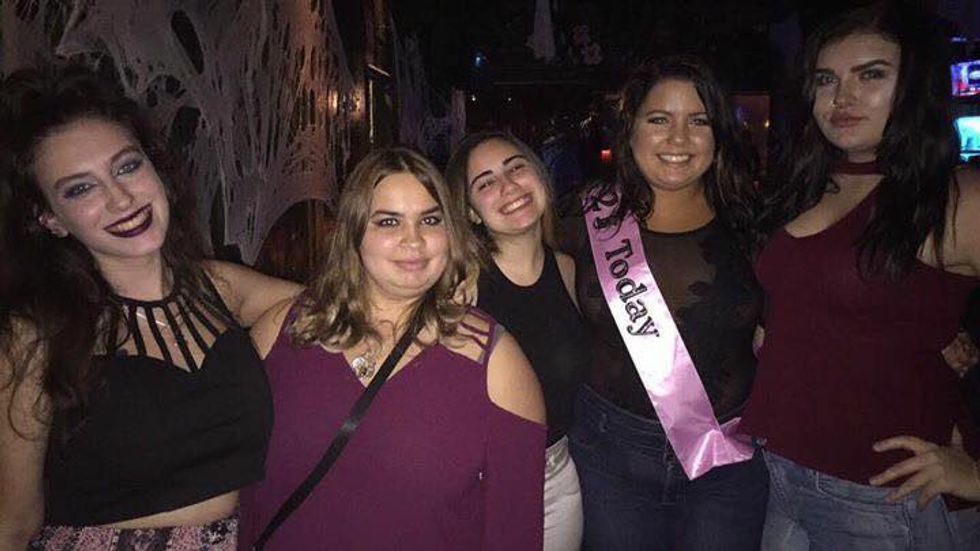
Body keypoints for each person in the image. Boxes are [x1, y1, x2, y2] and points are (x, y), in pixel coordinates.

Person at [0, 66, 302, 549]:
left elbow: (337, 304)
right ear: (50, 220)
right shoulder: (34, 334)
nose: (121, 199)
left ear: (156, 168)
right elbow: (12, 523)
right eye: (80, 189)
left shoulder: (218, 287)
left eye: (127, 167)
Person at [745, 2, 980, 548]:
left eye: (870, 75)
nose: (842, 97)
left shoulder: (956, 196)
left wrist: (975, 472)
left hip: (886, 500)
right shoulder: (807, 181)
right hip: (780, 474)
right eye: (826, 79)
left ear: (914, 87)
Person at [236, 147, 546, 550]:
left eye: (430, 220)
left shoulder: (496, 364)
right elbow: (244, 495)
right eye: (388, 221)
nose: (413, 240)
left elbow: (514, 534)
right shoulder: (282, 331)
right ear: (353, 232)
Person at [559, 55, 769, 550]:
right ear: (630, 129)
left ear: (718, 136)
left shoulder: (756, 223)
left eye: (698, 121)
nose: (678, 139)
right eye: (659, 119)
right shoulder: (581, 218)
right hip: (609, 455)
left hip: (727, 458)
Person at [446, 130, 590, 551]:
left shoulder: (569, 270)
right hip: (477, 487)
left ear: (540, 176)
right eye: (486, 183)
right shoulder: (459, 284)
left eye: (516, 168)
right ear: (470, 213)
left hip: (556, 480)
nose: (508, 186)